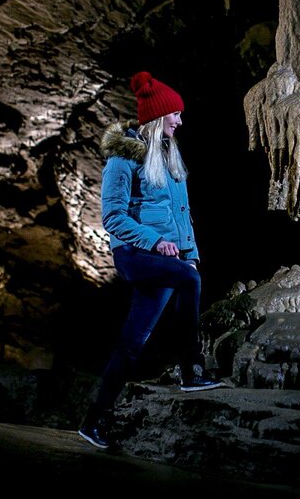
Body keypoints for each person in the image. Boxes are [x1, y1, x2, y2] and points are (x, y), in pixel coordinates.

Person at [78, 70, 224, 451]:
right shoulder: (123, 157)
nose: (180, 121)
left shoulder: (169, 152)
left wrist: (188, 256)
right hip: (134, 254)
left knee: (133, 342)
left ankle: (93, 421)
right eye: (175, 115)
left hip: (165, 256)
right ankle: (192, 369)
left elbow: (180, 212)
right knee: (189, 283)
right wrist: (155, 243)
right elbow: (112, 217)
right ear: (159, 117)